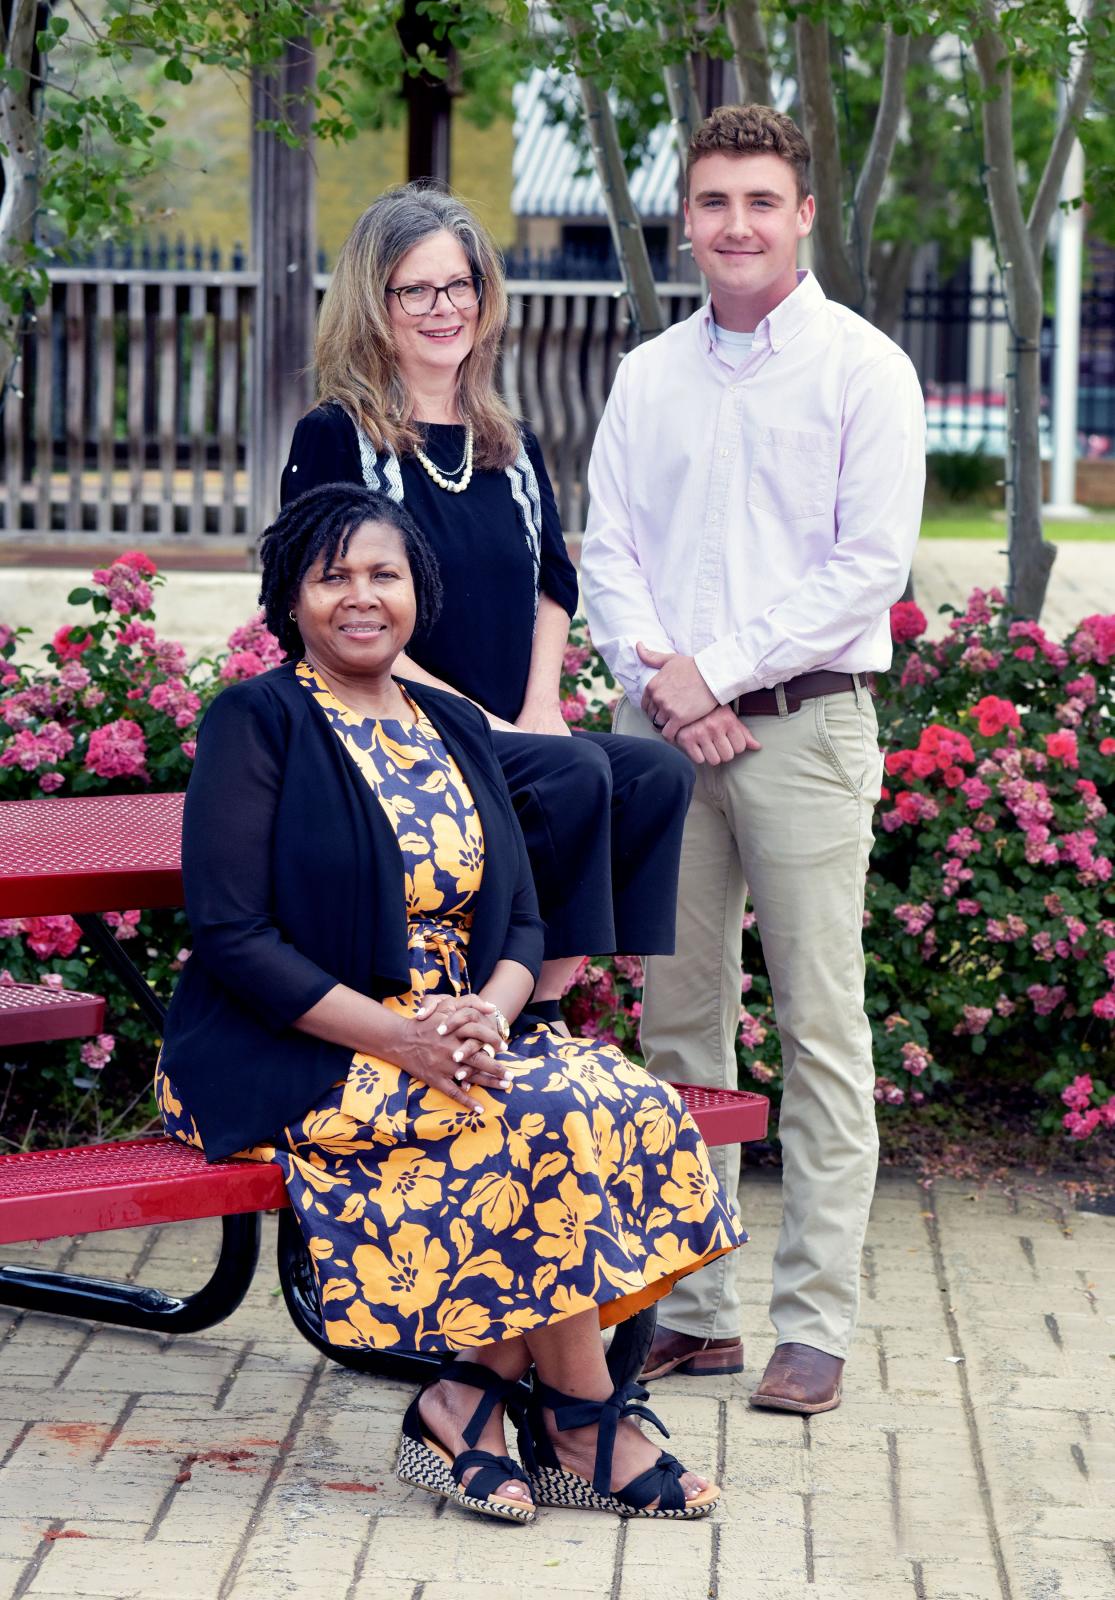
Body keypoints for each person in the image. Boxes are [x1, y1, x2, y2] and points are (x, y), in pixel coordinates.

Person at [156, 481, 745, 1523]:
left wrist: (489, 1006)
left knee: (617, 1099)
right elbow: (232, 936)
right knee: (528, 1119)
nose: (360, 596)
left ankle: (463, 1399)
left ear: (414, 593)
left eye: (382, 574)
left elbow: (517, 916)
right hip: (291, 1042)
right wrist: (402, 1035)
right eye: (331, 575)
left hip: (454, 1032)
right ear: (289, 596)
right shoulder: (259, 721)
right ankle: (574, 1412)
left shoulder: (449, 724)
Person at [580, 104, 925, 1414]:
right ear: (686, 217)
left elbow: (864, 569)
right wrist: (669, 688)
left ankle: (813, 1324)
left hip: (803, 726)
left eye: (758, 202)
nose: (734, 224)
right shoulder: (645, 375)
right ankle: (692, 1307)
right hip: (663, 743)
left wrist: (706, 676)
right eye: (713, 201)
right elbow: (606, 550)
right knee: (676, 1026)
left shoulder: (859, 370)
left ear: (801, 217)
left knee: (816, 1029)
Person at [279, 183, 694, 1024]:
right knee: (573, 772)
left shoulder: (507, 441)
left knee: (652, 771)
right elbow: (329, 612)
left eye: (459, 285)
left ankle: (549, 983)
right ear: (374, 303)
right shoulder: (338, 435)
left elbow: (553, 582)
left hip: (508, 726)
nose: (443, 308)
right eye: (416, 290)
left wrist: (539, 708)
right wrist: (481, 722)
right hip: (391, 731)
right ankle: (526, 1013)